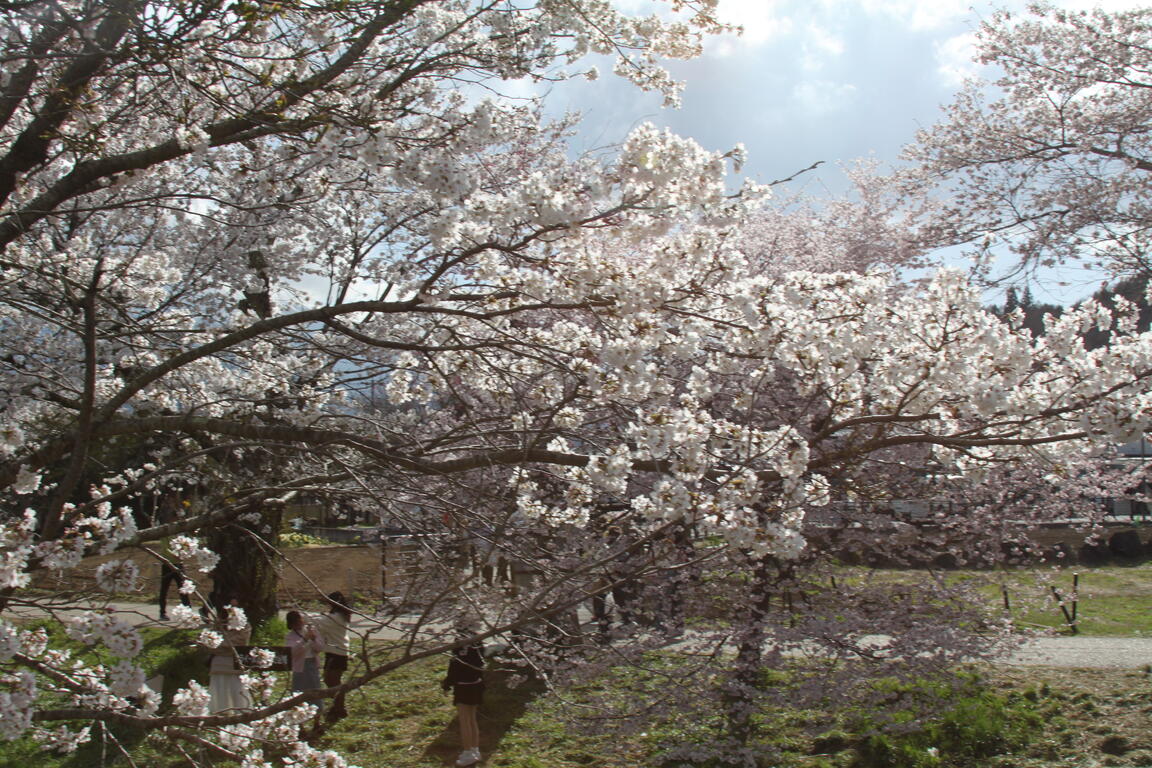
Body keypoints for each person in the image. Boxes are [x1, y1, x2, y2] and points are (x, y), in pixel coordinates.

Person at [441, 627, 485, 768]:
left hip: (463, 685)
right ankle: (474, 749)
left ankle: (467, 752)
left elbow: (453, 666)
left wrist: (447, 684)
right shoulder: (478, 640)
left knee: (464, 721)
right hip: (477, 684)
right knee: (472, 719)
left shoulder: (459, 642)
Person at [206, 592, 251, 713]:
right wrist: (226, 646)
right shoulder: (218, 624)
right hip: (219, 665)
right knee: (219, 694)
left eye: (236, 608)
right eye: (230, 608)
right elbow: (212, 645)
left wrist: (223, 645)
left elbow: (240, 643)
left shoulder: (245, 626)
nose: (233, 611)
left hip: (235, 664)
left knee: (238, 693)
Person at [314, 591, 352, 721]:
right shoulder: (341, 615)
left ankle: (340, 709)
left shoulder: (334, 618)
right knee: (330, 681)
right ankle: (337, 707)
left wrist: (301, 616)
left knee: (333, 682)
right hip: (336, 652)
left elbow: (318, 622)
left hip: (337, 653)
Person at [285, 609, 323, 693]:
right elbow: (292, 652)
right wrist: (304, 639)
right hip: (299, 666)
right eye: (296, 623)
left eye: (300, 621)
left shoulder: (312, 630)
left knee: (314, 690)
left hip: (312, 662)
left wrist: (314, 639)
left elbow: (319, 648)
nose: (299, 624)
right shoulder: (290, 636)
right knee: (299, 690)